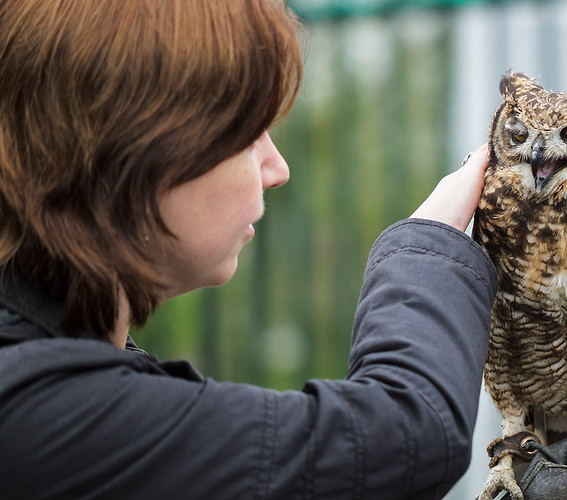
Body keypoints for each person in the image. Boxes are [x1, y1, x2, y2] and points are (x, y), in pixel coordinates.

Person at [0, 1, 497, 499]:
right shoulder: (37, 412)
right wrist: (434, 239)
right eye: (248, 132)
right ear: (138, 147)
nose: (276, 168)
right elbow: (410, 436)